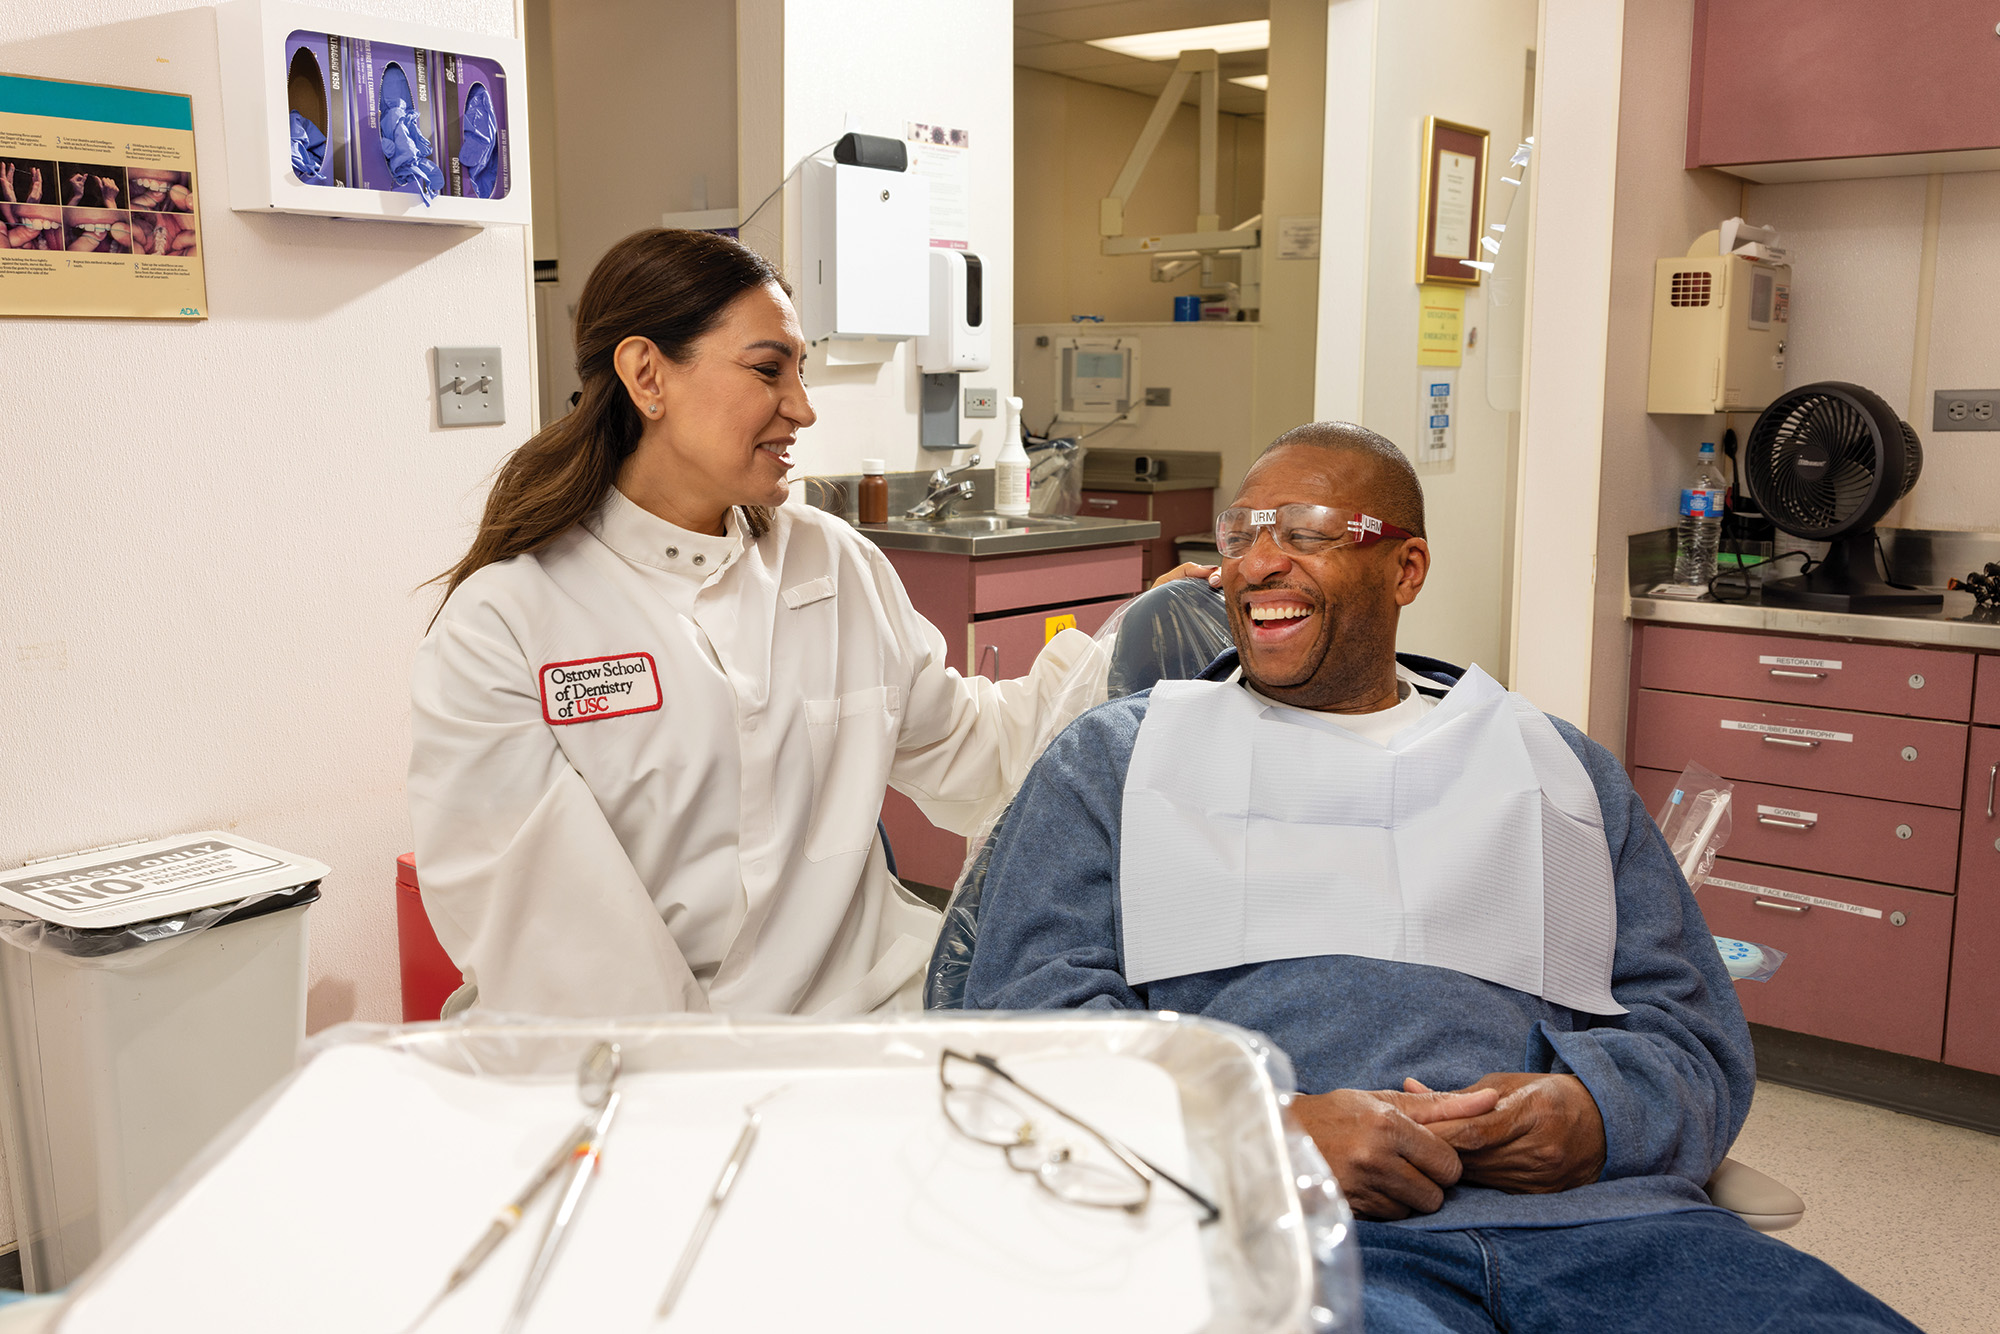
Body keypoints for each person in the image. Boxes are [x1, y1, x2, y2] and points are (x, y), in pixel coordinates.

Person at [962, 423, 1917, 1332]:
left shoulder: (1556, 770)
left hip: (1609, 1232)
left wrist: (1596, 1115)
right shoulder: (1122, 760)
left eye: (1308, 534)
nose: (1256, 563)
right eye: (1243, 533)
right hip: (1285, 1233)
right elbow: (1028, 1036)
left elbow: (1693, 1037)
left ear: (1406, 567)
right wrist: (1270, 1130)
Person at [409, 229, 1103, 1020]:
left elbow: (971, 752)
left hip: (865, 1026)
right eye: (769, 369)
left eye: (799, 372)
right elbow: (555, 944)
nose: (802, 408)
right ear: (646, 375)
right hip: (622, 1060)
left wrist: (1134, 646)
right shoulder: (506, 622)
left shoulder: (831, 562)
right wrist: (712, 1091)